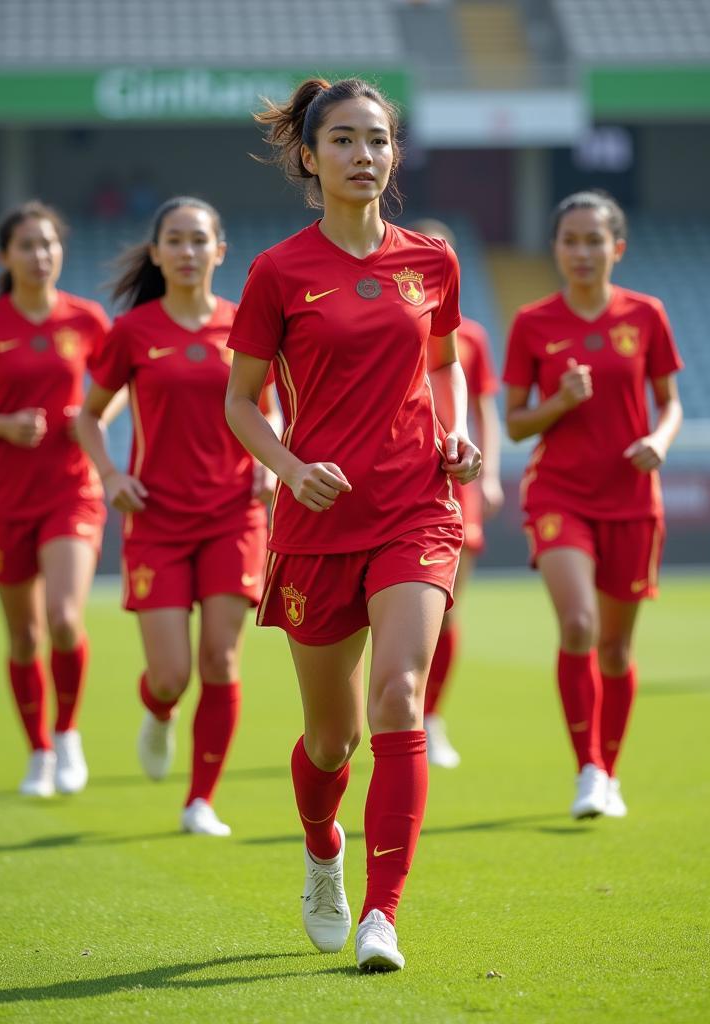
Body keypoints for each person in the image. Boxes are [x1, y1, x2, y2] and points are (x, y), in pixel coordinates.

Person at [224, 77, 481, 971]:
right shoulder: (277, 272)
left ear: (394, 154)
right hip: (315, 525)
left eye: (377, 140)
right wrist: (290, 466)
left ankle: (384, 915)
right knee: (331, 740)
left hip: (417, 507)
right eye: (343, 140)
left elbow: (445, 364)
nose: (363, 156)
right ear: (309, 155)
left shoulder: (433, 262)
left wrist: (459, 433)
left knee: (399, 695)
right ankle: (323, 846)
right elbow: (240, 403)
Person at [76, 196, 276, 836]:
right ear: (156, 252)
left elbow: (270, 408)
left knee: (220, 661)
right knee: (170, 675)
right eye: (175, 241)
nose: (187, 252)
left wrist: (271, 465)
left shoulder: (245, 325)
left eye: (199, 240)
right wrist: (110, 475)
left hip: (234, 514)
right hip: (157, 520)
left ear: (221, 250)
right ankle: (158, 712)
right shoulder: (132, 332)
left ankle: (200, 801)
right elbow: (88, 414)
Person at [503, 190, 683, 821]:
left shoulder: (647, 315)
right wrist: (560, 402)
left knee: (615, 648)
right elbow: (516, 424)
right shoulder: (532, 323)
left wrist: (658, 441)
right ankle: (587, 769)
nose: (581, 251)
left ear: (617, 247)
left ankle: (611, 770)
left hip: (632, 499)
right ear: (555, 248)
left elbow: (671, 403)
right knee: (578, 625)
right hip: (559, 493)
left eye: (593, 240)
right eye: (569, 240)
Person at [0, 200, 112, 798]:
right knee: (24, 637)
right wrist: (4, 425)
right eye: (27, 246)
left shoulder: (86, 318)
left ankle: (67, 735)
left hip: (72, 489)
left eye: (49, 244)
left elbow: (117, 386)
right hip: (7, 498)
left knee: (65, 619)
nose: (40, 256)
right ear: (4, 255)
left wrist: (90, 417)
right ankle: (37, 750)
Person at [408, 218, 504, 768]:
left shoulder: (469, 337)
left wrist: (488, 475)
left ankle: (431, 715)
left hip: (454, 480)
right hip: (395, 477)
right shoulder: (384, 315)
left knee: (443, 610)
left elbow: (484, 405)